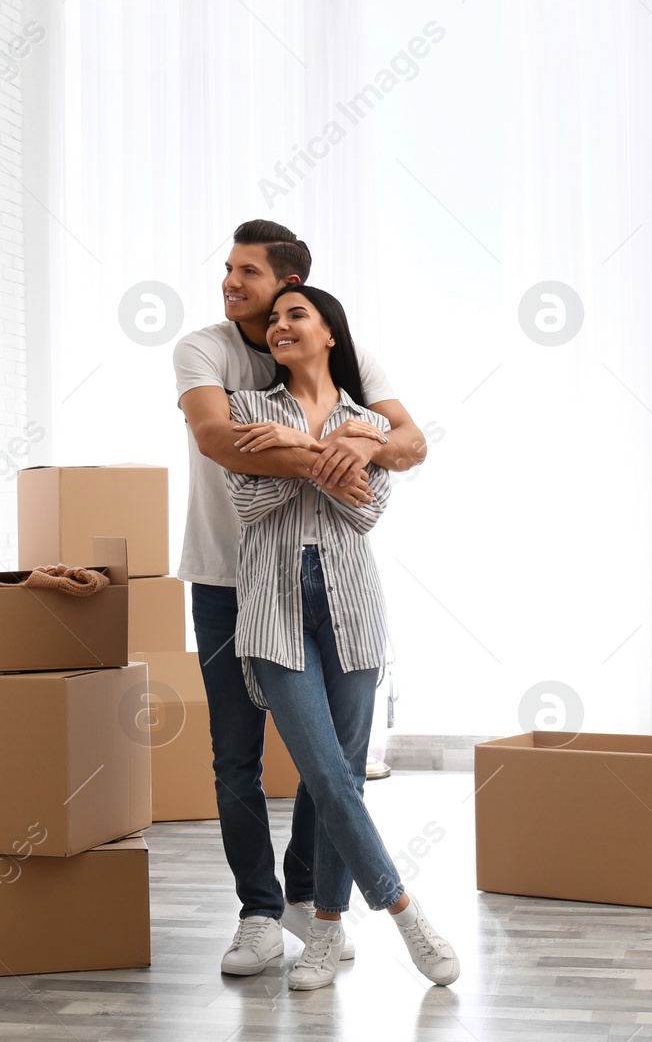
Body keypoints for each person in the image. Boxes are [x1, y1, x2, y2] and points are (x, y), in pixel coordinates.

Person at [172, 220, 427, 976]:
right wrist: (333, 450)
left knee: (328, 759)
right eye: (227, 268)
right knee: (233, 758)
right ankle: (256, 913)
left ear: (290, 286)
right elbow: (220, 440)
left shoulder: (335, 345)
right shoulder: (204, 349)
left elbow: (410, 443)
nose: (230, 283)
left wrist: (368, 440)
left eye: (247, 271)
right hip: (226, 576)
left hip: (320, 578)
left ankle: (312, 899)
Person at [224, 284, 459, 991]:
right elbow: (248, 497)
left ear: (331, 332)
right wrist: (330, 454)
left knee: (344, 779)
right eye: (273, 320)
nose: (280, 325)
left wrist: (298, 448)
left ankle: (325, 932)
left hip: (353, 609)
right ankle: (406, 913)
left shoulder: (370, 422)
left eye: (296, 314)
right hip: (271, 608)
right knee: (324, 774)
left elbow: (364, 510)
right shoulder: (248, 409)